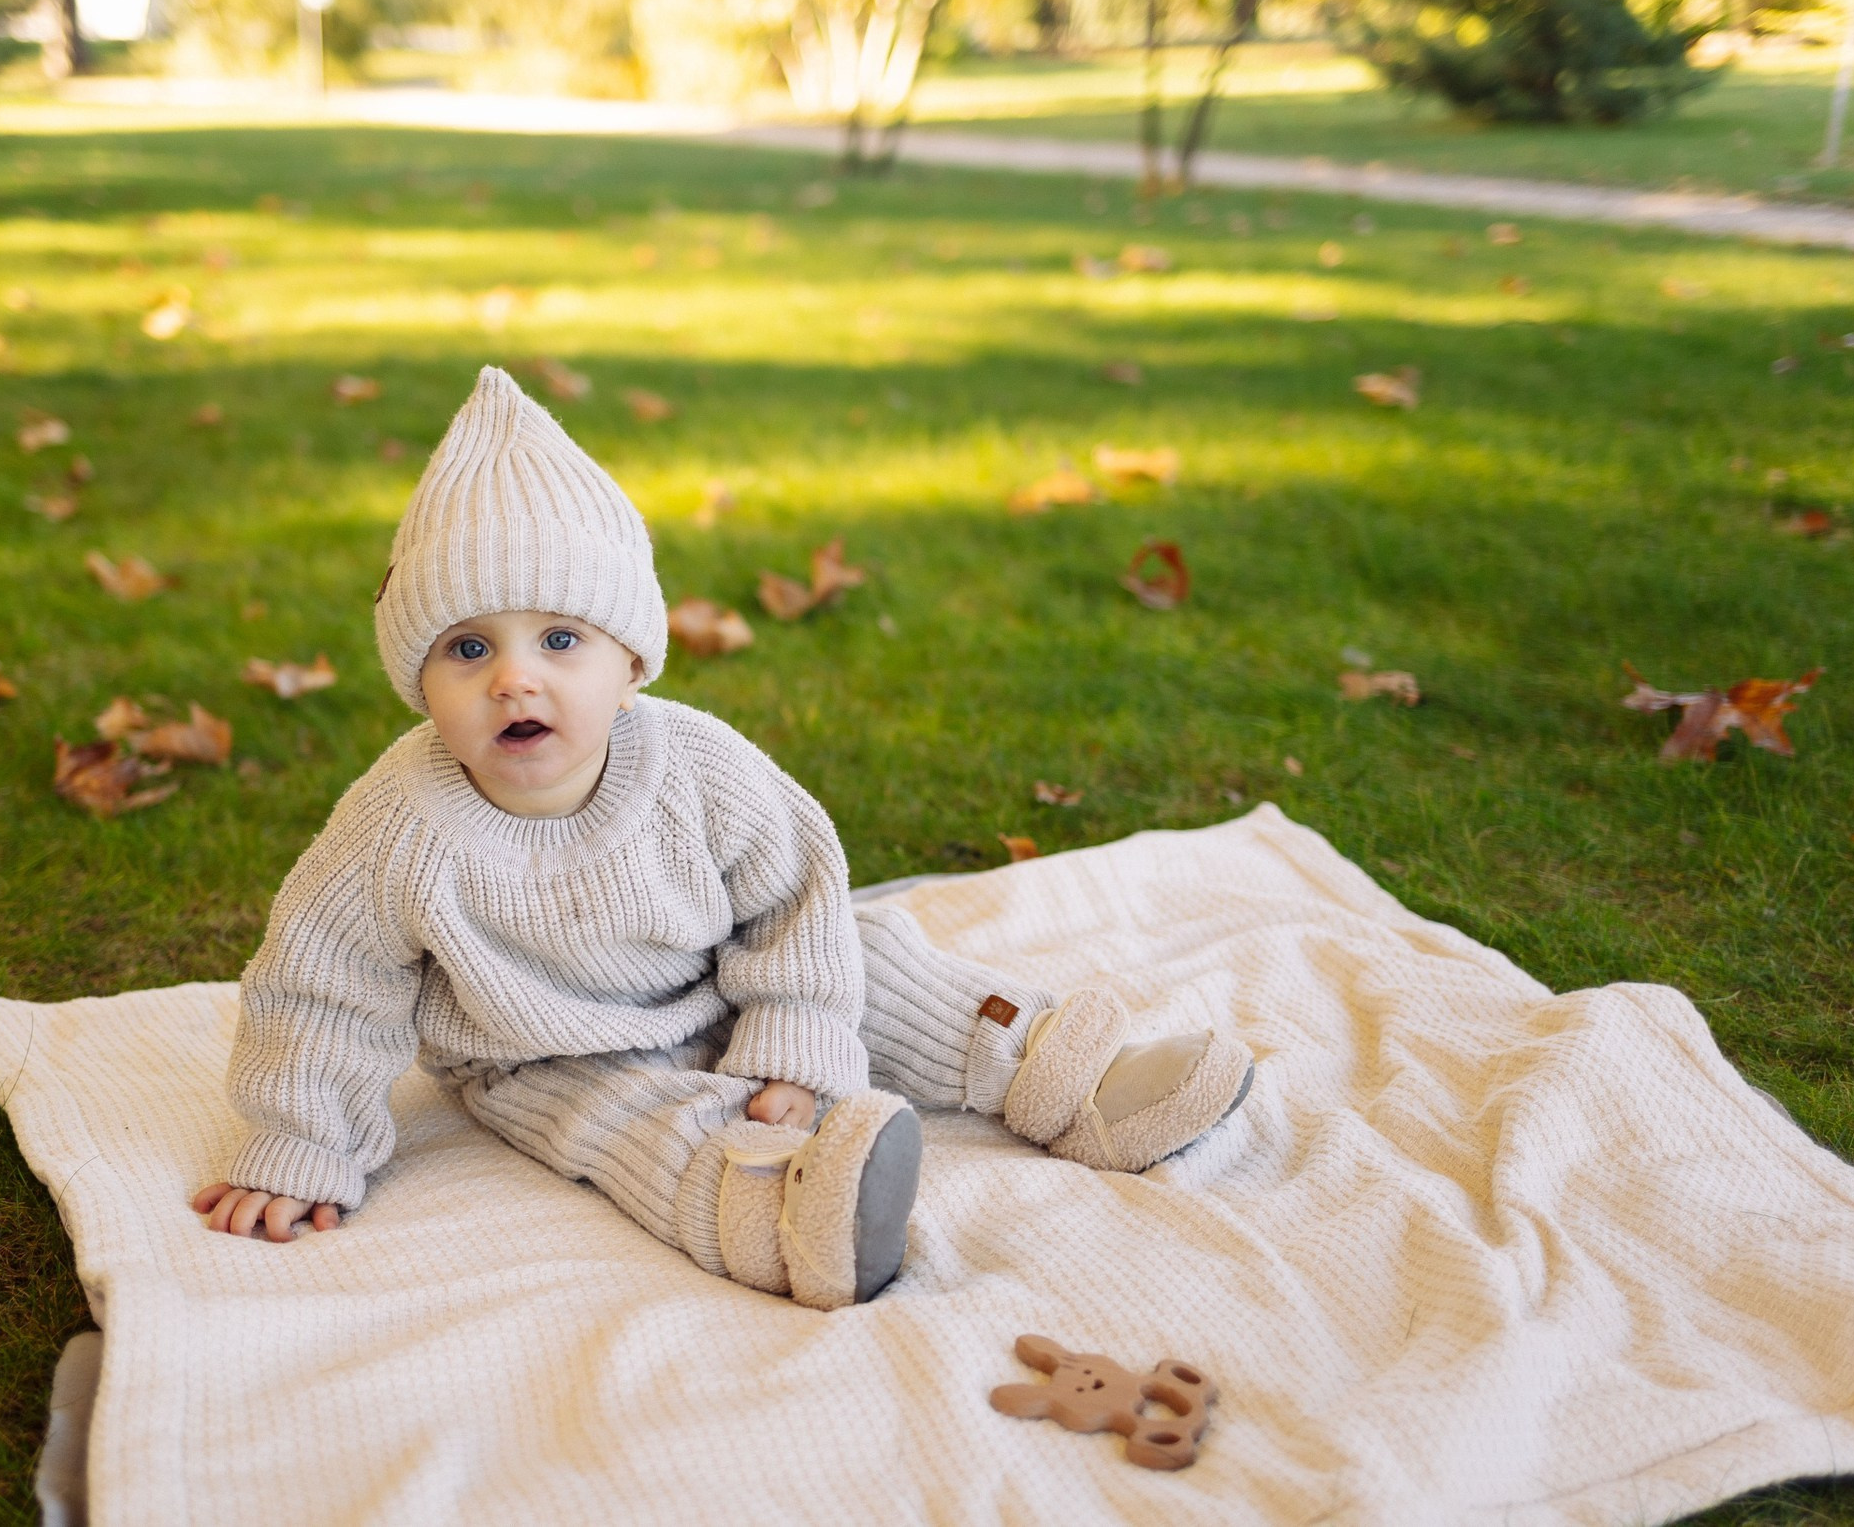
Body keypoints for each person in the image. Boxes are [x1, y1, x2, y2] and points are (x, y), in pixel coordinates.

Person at [191, 368, 1254, 1309]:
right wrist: (297, 1146)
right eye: (468, 648)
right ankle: (789, 1211)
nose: (516, 678)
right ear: (417, 682)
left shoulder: (696, 766)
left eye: (560, 639)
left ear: (632, 663)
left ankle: (1062, 1075)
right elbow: (322, 988)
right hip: (543, 1049)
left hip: (726, 979)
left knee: (874, 959)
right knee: (619, 1124)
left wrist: (794, 1041)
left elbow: (795, 901)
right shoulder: (399, 826)